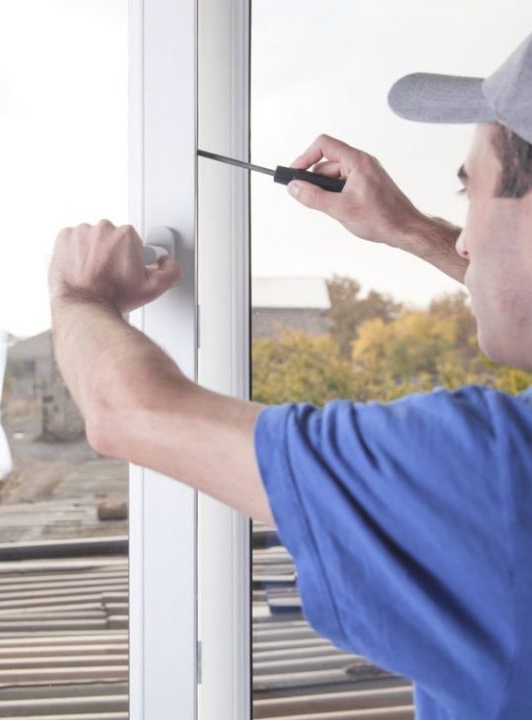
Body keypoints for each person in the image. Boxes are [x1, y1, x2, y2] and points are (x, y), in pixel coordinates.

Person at [47, 33, 532, 720]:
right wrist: (408, 231)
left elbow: (130, 412)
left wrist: (77, 296)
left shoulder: (495, 479)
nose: (463, 237)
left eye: (471, 193)